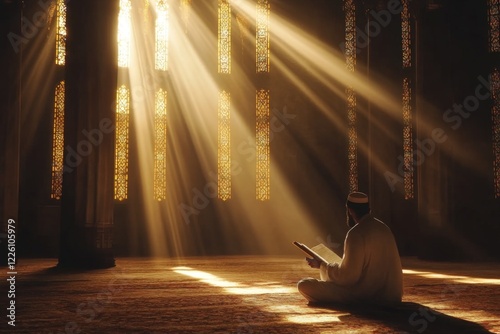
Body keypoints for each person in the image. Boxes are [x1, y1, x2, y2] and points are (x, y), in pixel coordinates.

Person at [297, 191, 403, 305]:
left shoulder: (355, 233)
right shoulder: (384, 228)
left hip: (365, 296)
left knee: (304, 285)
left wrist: (321, 265)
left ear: (350, 210)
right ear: (368, 209)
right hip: (391, 296)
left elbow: (348, 278)